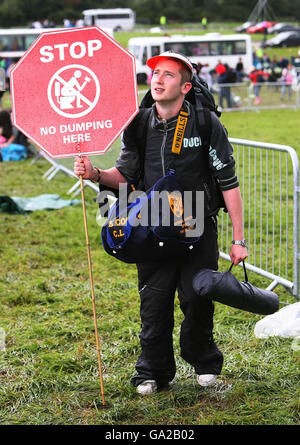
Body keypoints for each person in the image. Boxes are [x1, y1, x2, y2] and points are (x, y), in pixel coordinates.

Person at [74, 51, 248, 395]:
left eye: (168, 75)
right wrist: (94, 172)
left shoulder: (204, 123)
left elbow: (229, 182)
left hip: (197, 223)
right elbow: (124, 176)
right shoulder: (138, 122)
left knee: (197, 298)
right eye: (155, 73)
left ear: (185, 86)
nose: (157, 79)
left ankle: (204, 361)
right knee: (153, 303)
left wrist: (239, 240)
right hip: (151, 224)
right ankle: (151, 372)